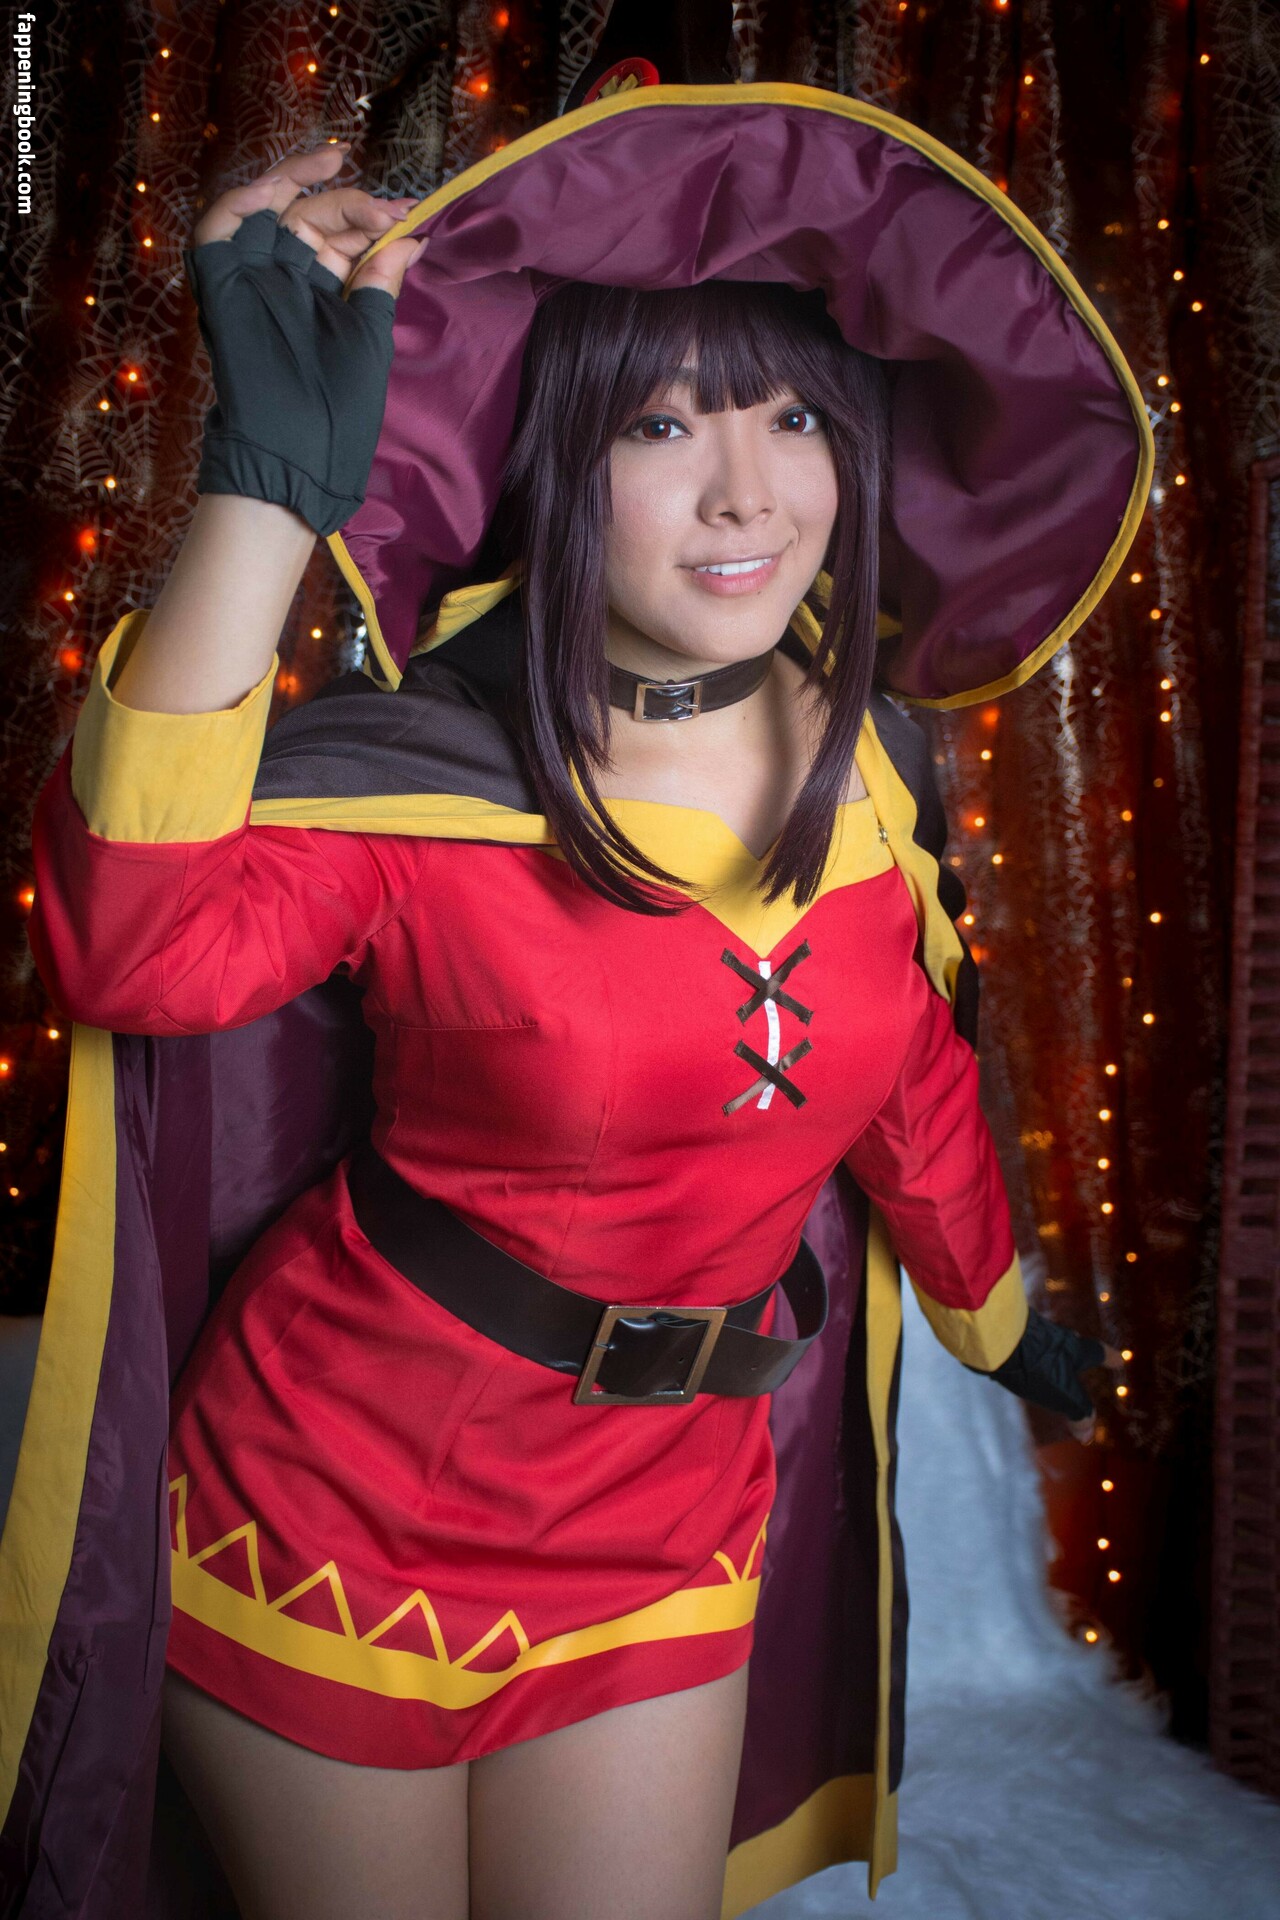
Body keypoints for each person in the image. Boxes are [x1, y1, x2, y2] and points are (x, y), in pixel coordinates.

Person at [5, 66, 1147, 1920]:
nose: (746, 492)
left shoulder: (868, 765)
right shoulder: (421, 787)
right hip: (340, 1505)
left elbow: (905, 1074)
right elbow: (131, 951)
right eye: (660, 423)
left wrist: (994, 1311)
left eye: (793, 414)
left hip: (666, 1521)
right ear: (551, 458)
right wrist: (263, 499)